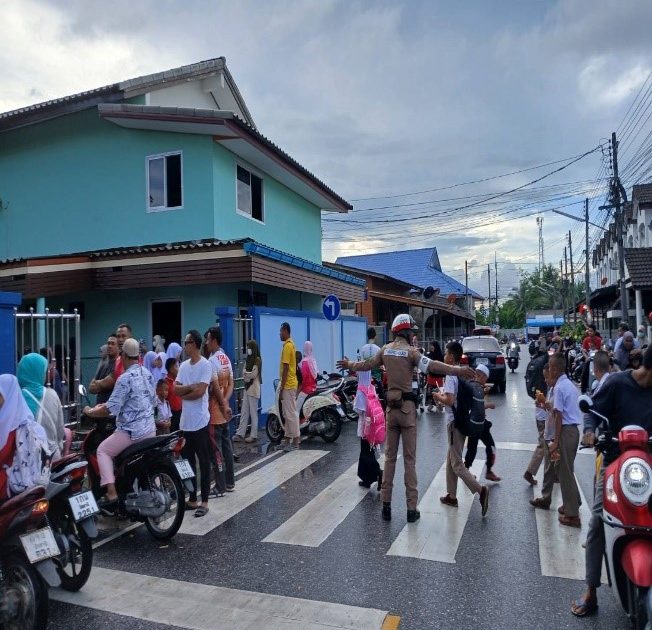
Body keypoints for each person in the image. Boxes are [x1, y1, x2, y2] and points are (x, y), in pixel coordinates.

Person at [338, 314, 475, 523]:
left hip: (391, 412)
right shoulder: (411, 352)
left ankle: (386, 505)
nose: (413, 335)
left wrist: (349, 364)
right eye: (412, 331)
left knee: (389, 459)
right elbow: (433, 366)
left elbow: (367, 364)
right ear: (405, 332)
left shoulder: (385, 350)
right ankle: (411, 509)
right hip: (407, 411)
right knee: (409, 461)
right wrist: (458, 370)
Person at [571, 344, 652, 617]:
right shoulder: (617, 383)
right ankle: (590, 590)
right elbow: (591, 411)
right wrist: (590, 431)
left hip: (648, 466)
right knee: (597, 521)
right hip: (615, 463)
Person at [83, 338, 156, 510]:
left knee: (103, 450)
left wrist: (90, 411)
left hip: (131, 432)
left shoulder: (124, 378)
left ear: (123, 356)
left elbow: (111, 409)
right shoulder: (147, 374)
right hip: (150, 429)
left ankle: (111, 493)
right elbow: (151, 401)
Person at [434, 341, 490, 517]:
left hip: (455, 423)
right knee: (451, 459)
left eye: (446, 353)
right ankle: (451, 496)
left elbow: (450, 400)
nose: (444, 356)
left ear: (451, 357)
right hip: (462, 420)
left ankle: (480, 490)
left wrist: (438, 396)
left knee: (457, 464)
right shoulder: (461, 373)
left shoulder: (451, 374)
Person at [530, 353, 582, 527]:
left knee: (564, 473)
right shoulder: (567, 385)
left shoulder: (559, 388)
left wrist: (555, 441)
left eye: (551, 367)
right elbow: (557, 410)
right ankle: (573, 502)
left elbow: (559, 416)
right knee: (563, 470)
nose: (549, 371)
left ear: (556, 369)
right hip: (570, 432)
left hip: (564, 432)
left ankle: (572, 515)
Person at [174, 330, 214, 517]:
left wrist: (185, 393)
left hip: (200, 421)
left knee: (203, 461)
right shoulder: (183, 366)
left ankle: (204, 501)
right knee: (187, 462)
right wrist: (189, 388)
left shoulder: (206, 365)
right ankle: (192, 497)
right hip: (185, 423)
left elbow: (200, 392)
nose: (184, 346)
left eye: (187, 342)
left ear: (195, 344)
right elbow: (175, 389)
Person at [17, 353, 66, 461]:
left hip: (24, 460)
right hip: (51, 456)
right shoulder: (52, 394)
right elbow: (60, 429)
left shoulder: (16, 397)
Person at [205, 326, 235, 496]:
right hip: (225, 412)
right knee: (227, 447)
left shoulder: (211, 361)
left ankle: (220, 486)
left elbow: (215, 387)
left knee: (216, 451)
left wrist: (222, 404)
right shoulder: (226, 359)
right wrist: (226, 402)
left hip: (215, 413)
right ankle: (230, 482)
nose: (206, 343)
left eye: (208, 339)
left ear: (214, 340)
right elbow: (231, 384)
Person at [354, 327, 382, 489]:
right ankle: (369, 477)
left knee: (365, 446)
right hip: (376, 390)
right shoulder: (379, 350)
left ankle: (375, 474)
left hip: (365, 419)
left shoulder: (362, 350)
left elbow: (359, 410)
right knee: (368, 446)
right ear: (375, 335)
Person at [463, 363, 501, 482]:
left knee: (489, 447)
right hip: (474, 424)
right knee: (473, 448)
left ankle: (488, 471)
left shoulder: (475, 386)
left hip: (481, 423)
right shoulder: (474, 387)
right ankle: (466, 471)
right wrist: (489, 405)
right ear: (482, 376)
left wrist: (484, 392)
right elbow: (477, 406)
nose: (486, 381)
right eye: (485, 379)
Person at [523, 344, 549, 486]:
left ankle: (555, 474)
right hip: (544, 416)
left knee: (549, 444)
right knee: (544, 444)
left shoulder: (537, 364)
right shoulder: (546, 371)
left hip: (541, 414)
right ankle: (530, 472)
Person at [234, 340, 262, 443]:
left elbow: (254, 374)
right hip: (247, 388)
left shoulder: (257, 360)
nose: (248, 349)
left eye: (249, 347)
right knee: (244, 411)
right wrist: (246, 374)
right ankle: (240, 433)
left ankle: (253, 435)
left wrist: (246, 374)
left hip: (253, 389)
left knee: (253, 413)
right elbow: (244, 371)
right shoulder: (249, 359)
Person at [279, 322, 300, 452]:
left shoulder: (288, 346)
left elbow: (286, 367)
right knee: (287, 413)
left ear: (286, 331)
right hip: (290, 383)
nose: (280, 334)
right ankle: (287, 439)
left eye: (281, 331)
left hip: (288, 384)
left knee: (291, 413)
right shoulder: (290, 344)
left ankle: (296, 440)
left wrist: (282, 387)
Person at [89, 334, 119, 404]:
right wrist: (102, 385)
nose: (110, 346)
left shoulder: (119, 364)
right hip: (98, 406)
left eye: (113, 344)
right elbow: (91, 388)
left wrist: (99, 385)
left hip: (111, 407)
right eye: (108, 343)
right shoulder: (103, 365)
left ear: (118, 347)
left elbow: (108, 383)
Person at [296, 341, 318, 419]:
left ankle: (296, 423)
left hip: (306, 389)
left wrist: (299, 389)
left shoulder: (304, 362)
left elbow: (304, 378)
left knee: (296, 407)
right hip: (314, 387)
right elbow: (316, 375)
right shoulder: (313, 360)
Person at [165, 357, 183, 432]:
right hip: (171, 414)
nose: (179, 368)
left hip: (181, 412)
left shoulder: (179, 381)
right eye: (177, 366)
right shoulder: (165, 383)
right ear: (171, 369)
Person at [426, 341, 444, 412]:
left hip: (438, 377)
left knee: (438, 391)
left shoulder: (440, 355)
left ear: (436, 346)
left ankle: (439, 405)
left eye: (432, 345)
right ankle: (430, 404)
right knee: (430, 391)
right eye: (430, 345)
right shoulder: (429, 355)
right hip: (431, 377)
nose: (431, 347)